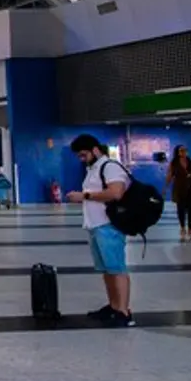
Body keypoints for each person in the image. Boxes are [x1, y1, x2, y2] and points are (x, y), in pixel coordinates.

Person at [65, 135, 135, 327]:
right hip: (95, 225)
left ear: (95, 150)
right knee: (107, 269)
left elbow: (116, 193)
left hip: (109, 225)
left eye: (83, 155)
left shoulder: (110, 167)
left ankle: (123, 311)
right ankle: (113, 306)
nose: (81, 159)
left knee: (117, 268)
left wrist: (84, 196)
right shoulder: (93, 169)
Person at [165, 145, 191, 241]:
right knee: (180, 210)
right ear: (177, 152)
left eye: (185, 150)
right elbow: (169, 176)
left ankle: (190, 229)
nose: (184, 152)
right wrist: (165, 187)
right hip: (179, 189)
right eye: (181, 150)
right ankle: (182, 228)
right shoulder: (173, 163)